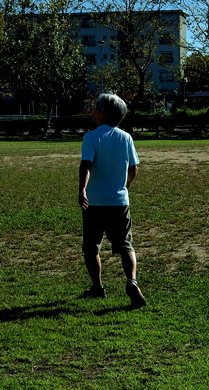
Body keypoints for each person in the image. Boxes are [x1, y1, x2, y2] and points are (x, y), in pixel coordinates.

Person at [78, 93, 146, 308]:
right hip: (119, 202)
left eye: (96, 106)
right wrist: (124, 188)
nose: (93, 109)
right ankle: (132, 281)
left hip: (95, 202)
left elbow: (86, 165)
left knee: (91, 246)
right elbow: (133, 169)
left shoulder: (91, 137)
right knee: (125, 245)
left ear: (104, 113)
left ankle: (97, 287)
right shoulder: (126, 137)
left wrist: (82, 190)